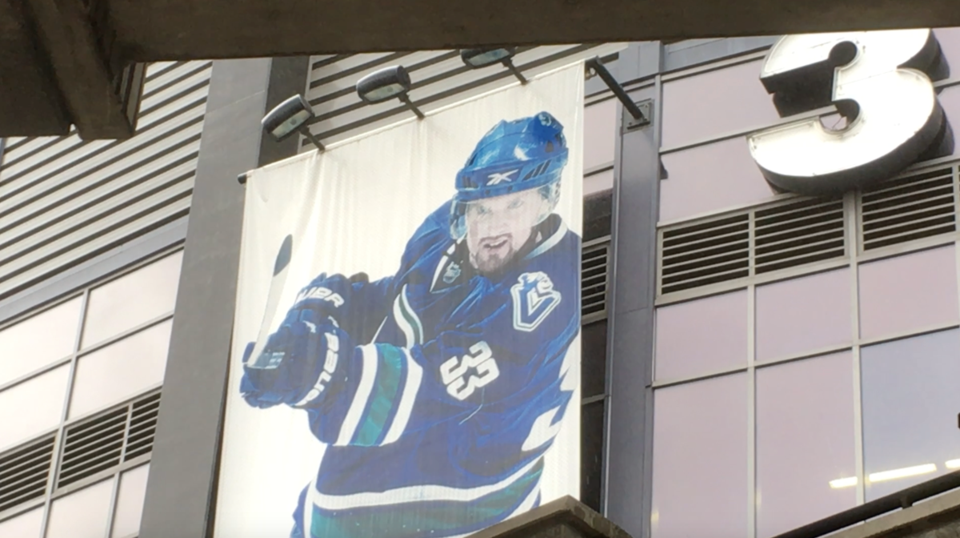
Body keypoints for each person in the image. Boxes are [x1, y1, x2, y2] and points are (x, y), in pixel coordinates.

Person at [240, 111, 581, 538]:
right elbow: (397, 301)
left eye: (514, 205)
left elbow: (431, 385)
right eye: (481, 209)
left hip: (465, 515)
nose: (492, 227)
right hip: (343, 501)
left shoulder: (552, 290)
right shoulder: (446, 231)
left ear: (547, 200)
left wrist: (315, 368)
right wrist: (318, 314)